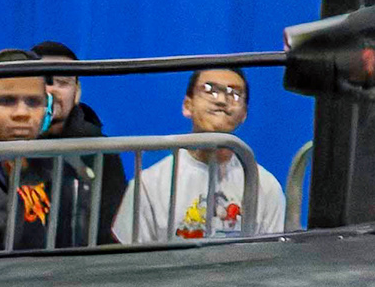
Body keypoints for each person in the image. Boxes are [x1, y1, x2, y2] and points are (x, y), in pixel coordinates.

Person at [0, 52, 121, 252]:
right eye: (6, 100)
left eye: (33, 102)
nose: (22, 113)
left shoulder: (61, 172)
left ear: (48, 110)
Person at [115, 67, 286, 244]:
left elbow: (273, 255)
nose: (221, 100)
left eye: (234, 94)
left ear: (244, 114)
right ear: (187, 105)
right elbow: (133, 257)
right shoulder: (148, 185)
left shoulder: (266, 187)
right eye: (210, 90)